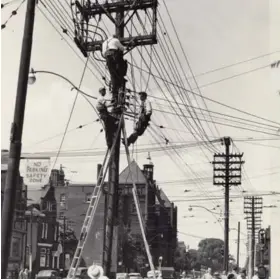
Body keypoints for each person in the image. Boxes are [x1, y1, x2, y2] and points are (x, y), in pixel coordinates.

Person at [102, 35, 127, 101]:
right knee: (121, 70)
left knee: (113, 75)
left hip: (107, 58)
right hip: (114, 56)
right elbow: (122, 48)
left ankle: (114, 94)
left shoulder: (104, 43)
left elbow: (103, 53)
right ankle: (120, 86)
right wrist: (126, 47)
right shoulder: (115, 40)